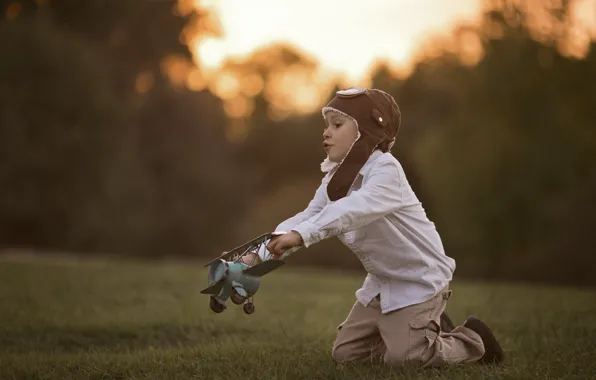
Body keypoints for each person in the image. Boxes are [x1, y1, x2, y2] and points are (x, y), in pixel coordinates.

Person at [263, 87, 505, 368]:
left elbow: (352, 209)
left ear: (367, 131)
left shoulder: (387, 171)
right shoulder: (336, 179)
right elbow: (310, 214)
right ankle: (423, 330)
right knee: (346, 355)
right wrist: (259, 253)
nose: (326, 133)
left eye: (337, 125)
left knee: (406, 359)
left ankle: (473, 341)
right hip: (382, 283)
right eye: (326, 125)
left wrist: (302, 235)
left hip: (419, 281)